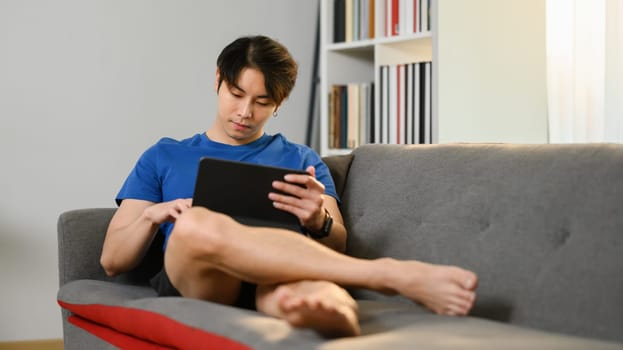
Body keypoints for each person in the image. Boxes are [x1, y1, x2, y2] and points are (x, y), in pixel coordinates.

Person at [100, 35, 478, 338]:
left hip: (278, 275)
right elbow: (112, 260)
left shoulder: (301, 159)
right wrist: (153, 215)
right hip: (204, 277)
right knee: (198, 223)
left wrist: (318, 220)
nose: (245, 112)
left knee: (314, 294)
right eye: (236, 94)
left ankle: (329, 314)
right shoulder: (164, 155)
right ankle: (386, 275)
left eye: (262, 102)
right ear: (218, 80)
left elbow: (337, 241)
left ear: (279, 103)